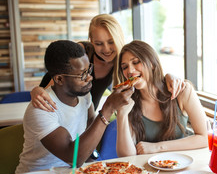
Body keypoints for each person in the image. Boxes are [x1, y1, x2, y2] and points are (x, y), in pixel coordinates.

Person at [16, 40, 131, 173]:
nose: (89, 78)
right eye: (82, 74)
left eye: (89, 70)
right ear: (59, 79)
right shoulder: (41, 108)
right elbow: (73, 157)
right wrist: (108, 108)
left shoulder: (84, 96)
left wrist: (94, 165)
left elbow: (88, 132)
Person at [30, 14, 184, 112]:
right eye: (99, 44)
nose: (107, 49)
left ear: (119, 37)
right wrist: (37, 90)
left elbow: (149, 76)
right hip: (61, 112)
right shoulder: (82, 53)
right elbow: (54, 81)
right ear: (91, 41)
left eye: (111, 42)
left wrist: (169, 76)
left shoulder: (124, 60)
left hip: (90, 117)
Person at [115, 40, 208, 156]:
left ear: (152, 64)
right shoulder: (128, 103)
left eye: (136, 62)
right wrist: (121, 115)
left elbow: (204, 138)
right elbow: (126, 157)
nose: (130, 70)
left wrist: (158, 147)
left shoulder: (183, 91)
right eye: (124, 67)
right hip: (147, 172)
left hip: (182, 167)